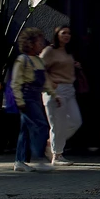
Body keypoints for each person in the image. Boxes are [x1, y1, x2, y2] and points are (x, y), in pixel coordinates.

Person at [10, 28, 54, 173]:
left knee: (25, 131)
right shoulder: (23, 60)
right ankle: (40, 157)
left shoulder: (39, 60)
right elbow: (15, 82)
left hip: (36, 97)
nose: (42, 44)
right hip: (27, 97)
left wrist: (54, 94)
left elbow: (45, 81)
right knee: (41, 126)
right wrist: (19, 100)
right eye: (39, 42)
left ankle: (20, 161)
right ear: (30, 43)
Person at [40, 25, 83, 166]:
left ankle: (51, 144)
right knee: (57, 124)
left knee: (76, 121)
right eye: (63, 33)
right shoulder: (49, 50)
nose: (67, 35)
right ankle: (57, 156)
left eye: (69, 33)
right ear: (57, 34)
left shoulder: (68, 51)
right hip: (55, 89)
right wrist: (50, 85)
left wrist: (74, 65)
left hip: (69, 89)